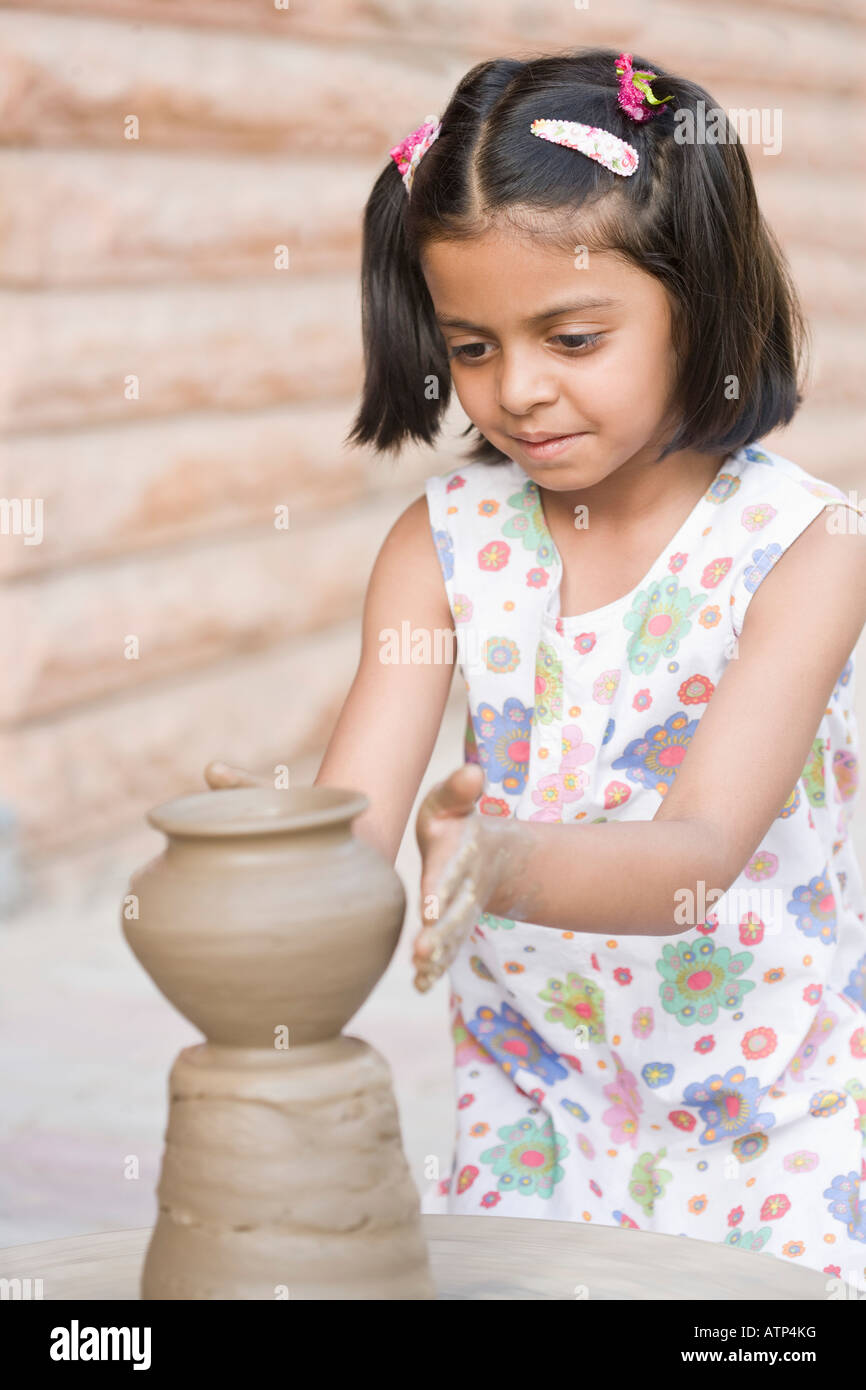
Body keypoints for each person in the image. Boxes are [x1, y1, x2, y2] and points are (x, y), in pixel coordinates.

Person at [314, 47, 866, 1290]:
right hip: (534, 1112)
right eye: (468, 346)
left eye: (570, 335)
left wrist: (497, 858)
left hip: (770, 1127)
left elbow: (696, 858)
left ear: (700, 296)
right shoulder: (442, 545)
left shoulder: (803, 549)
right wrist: (273, 860)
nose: (517, 389)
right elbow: (344, 839)